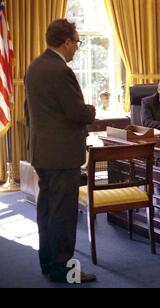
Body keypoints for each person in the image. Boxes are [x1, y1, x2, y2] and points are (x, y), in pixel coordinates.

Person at [25, 19, 97, 283]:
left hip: (43, 152)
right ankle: (65, 270)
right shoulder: (60, 70)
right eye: (76, 42)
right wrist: (92, 110)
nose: (77, 47)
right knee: (63, 215)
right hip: (62, 155)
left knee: (47, 210)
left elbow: (29, 112)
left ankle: (49, 264)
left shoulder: (34, 66)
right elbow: (76, 112)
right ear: (66, 42)